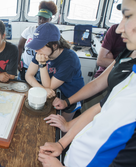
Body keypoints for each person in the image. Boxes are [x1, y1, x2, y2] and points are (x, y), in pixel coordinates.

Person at [39, 0, 136, 166]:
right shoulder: (129, 61)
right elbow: (100, 99)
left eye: (127, 16)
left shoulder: (68, 58)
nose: (119, 28)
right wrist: (63, 143)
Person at [25, 23, 84, 122]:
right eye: (36, 45)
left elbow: (49, 86)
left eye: (40, 46)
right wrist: (43, 89)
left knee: (62, 125)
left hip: (72, 96)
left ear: (55, 45)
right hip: (55, 92)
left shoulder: (70, 59)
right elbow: (28, 75)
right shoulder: (41, 52)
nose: (36, 50)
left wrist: (42, 64)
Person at [81, 23, 126, 112]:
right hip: (102, 78)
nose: (119, 29)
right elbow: (101, 60)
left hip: (121, 87)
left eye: (128, 16)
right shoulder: (114, 29)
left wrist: (111, 61)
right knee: (86, 109)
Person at [17, 0, 57, 81]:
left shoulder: (53, 34)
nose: (41, 21)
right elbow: (20, 46)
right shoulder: (29, 30)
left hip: (42, 70)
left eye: (45, 18)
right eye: (40, 18)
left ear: (50, 19)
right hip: (26, 66)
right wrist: (17, 62)